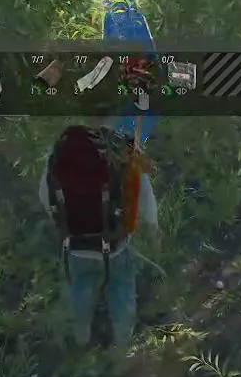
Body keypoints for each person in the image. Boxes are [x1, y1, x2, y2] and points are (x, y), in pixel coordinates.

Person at [38, 124, 157, 347]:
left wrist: (67, 223)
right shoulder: (119, 147)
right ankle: (123, 347)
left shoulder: (61, 150)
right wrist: (152, 229)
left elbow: (46, 196)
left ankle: (80, 343)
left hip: (76, 248)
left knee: (80, 294)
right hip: (116, 247)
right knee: (121, 292)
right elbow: (144, 195)